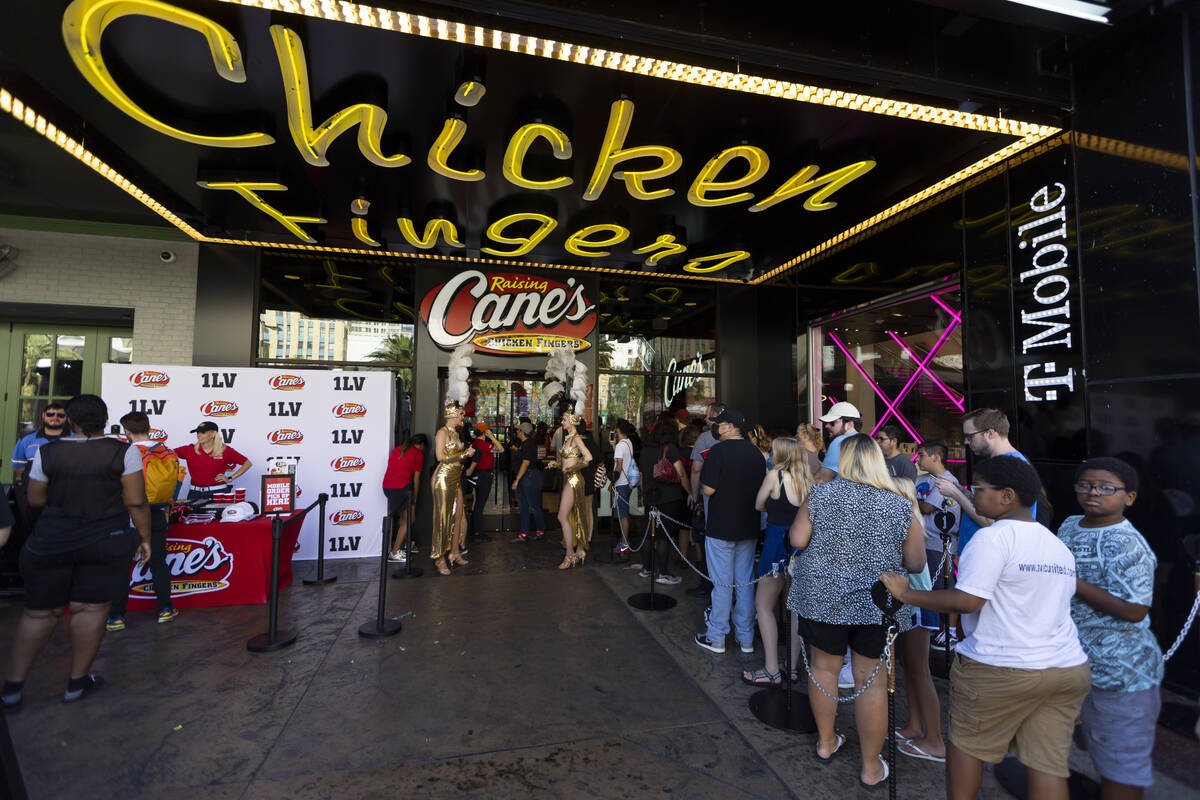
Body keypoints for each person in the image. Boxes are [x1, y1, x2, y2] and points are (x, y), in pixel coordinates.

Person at [879, 456, 1090, 800]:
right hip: (1066, 669)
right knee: (1047, 766)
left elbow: (967, 601)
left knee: (967, 747)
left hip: (1001, 665)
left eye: (977, 489)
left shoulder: (992, 538)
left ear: (1007, 495)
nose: (971, 495)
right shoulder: (1056, 545)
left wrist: (906, 593)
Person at [787, 434, 926, 789]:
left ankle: (825, 742)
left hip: (822, 597)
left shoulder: (820, 495)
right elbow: (914, 561)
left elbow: (798, 540)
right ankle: (870, 766)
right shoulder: (898, 504)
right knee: (872, 682)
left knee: (823, 670)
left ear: (844, 461)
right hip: (877, 604)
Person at [0, 395, 151, 710]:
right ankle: (76, 683)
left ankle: (12, 689)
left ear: (70, 420)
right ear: (105, 419)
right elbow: (136, 501)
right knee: (91, 609)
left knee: (39, 612)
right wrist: (145, 538)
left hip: (52, 538)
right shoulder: (125, 451)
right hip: (104, 539)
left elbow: (36, 499)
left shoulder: (47, 451)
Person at [1058, 457, 1161, 799]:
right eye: (1086, 484)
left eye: (1106, 488)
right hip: (1075, 663)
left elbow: (1135, 610)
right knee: (1090, 747)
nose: (1094, 493)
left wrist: (1073, 583)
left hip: (1121, 673)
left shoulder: (1128, 543)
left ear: (1129, 497)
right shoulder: (1071, 524)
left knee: (1121, 763)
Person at [695, 408, 766, 655]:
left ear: (728, 426)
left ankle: (717, 636)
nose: (716, 427)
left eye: (719, 423)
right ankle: (745, 637)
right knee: (745, 583)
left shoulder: (718, 452)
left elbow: (708, 490)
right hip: (749, 525)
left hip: (721, 526)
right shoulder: (756, 454)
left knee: (722, 584)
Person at [742, 436, 811, 686]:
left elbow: (758, 504)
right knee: (793, 608)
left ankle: (771, 668)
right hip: (802, 547)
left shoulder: (775, 475)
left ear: (780, 454)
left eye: (772, 451)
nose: (769, 454)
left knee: (763, 605)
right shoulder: (808, 480)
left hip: (776, 544)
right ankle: (791, 668)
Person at [107, 411, 179, 630]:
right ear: (149, 427)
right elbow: (176, 482)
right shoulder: (166, 450)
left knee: (121, 566)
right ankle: (165, 609)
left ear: (126, 431)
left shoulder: (123, 452)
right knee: (158, 562)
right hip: (156, 512)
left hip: (126, 513)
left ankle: (116, 617)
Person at [935, 408, 1035, 553]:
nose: (966, 442)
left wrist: (957, 495)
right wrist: (962, 491)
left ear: (990, 433)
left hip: (991, 556)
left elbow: (991, 522)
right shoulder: (1003, 463)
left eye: (970, 437)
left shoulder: (1008, 467)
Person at [915, 440, 962, 648]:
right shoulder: (922, 479)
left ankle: (950, 632)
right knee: (927, 586)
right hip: (921, 541)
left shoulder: (947, 481)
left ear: (936, 457)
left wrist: (905, 495)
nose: (918, 458)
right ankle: (930, 627)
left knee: (945, 586)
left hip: (940, 543)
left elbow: (926, 507)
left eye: (922, 454)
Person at [637, 411, 691, 585]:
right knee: (664, 536)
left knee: (648, 534)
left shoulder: (645, 450)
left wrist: (643, 495)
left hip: (650, 496)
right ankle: (663, 573)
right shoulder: (670, 449)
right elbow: (681, 473)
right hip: (668, 497)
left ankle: (647, 569)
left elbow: (642, 476)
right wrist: (690, 492)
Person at [687, 403, 726, 597]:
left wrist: (694, 495)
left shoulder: (705, 438)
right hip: (739, 504)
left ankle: (708, 586)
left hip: (711, 500)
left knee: (708, 544)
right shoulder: (743, 440)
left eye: (708, 416)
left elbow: (696, 469)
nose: (704, 419)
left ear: (716, 417)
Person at [431, 402, 474, 575]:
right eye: (461, 414)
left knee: (458, 516)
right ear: (453, 415)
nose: (463, 417)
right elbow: (440, 456)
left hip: (456, 476)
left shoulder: (455, 433)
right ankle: (439, 558)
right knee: (443, 518)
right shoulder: (442, 433)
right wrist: (464, 454)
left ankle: (454, 552)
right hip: (444, 477)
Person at [550, 412, 593, 569]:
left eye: (564, 420)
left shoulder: (576, 438)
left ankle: (570, 554)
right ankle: (579, 550)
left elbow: (588, 458)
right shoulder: (568, 438)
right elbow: (568, 460)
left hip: (574, 479)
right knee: (575, 515)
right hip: (570, 478)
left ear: (572, 422)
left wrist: (572, 469)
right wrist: (556, 464)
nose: (562, 422)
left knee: (562, 516)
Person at [174, 422, 251, 501]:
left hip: (218, 493)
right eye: (198, 432)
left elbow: (247, 463)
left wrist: (230, 478)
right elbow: (168, 455)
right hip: (194, 494)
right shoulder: (189, 450)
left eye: (203, 432)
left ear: (214, 433)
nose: (199, 435)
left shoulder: (225, 450)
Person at [383, 434, 428, 562]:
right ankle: (394, 552)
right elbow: (416, 479)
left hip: (387, 487)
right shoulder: (418, 454)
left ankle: (404, 544)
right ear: (422, 445)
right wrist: (415, 497)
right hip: (402, 489)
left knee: (403, 519)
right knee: (409, 520)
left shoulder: (397, 449)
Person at [10, 403, 69, 481]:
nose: (55, 417)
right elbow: (18, 466)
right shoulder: (26, 439)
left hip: (64, 488)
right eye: (50, 414)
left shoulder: (74, 438)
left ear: (66, 418)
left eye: (60, 415)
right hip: (32, 488)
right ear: (43, 415)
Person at [465, 422, 502, 542]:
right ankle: (476, 533)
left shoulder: (475, 443)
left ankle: (475, 530)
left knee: (478, 504)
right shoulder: (483, 444)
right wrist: (491, 437)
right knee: (480, 505)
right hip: (483, 475)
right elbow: (501, 449)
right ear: (484, 432)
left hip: (478, 475)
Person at [510, 422, 545, 542]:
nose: (516, 432)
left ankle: (540, 531)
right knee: (524, 506)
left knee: (533, 505)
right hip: (527, 477)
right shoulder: (525, 443)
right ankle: (523, 533)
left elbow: (526, 463)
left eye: (518, 430)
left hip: (529, 477)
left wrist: (517, 480)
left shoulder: (528, 444)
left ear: (522, 432)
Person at [813, 401, 862, 484]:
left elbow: (820, 479)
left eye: (832, 422)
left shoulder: (840, 442)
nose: (827, 425)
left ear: (849, 424)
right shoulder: (869, 442)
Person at [611, 419, 636, 553]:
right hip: (627, 483)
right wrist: (614, 447)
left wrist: (613, 480)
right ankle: (624, 541)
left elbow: (619, 465)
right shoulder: (628, 443)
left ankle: (624, 544)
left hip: (621, 483)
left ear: (618, 430)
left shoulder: (621, 445)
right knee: (623, 513)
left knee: (623, 515)